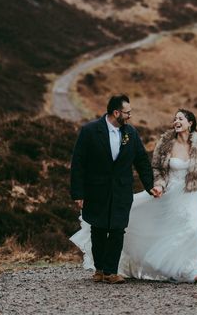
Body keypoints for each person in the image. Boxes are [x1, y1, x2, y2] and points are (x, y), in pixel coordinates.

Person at [71, 108, 197, 283]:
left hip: (192, 192)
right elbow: (155, 168)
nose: (176, 121)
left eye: (180, 118)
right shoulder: (165, 143)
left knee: (192, 230)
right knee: (172, 230)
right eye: (175, 119)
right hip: (169, 191)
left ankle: (194, 270)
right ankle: (171, 267)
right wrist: (158, 186)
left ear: (190, 123)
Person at [70, 94, 161, 284]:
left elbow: (142, 161)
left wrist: (150, 186)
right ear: (116, 112)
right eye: (127, 113)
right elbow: (78, 163)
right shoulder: (90, 131)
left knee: (118, 229)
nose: (130, 116)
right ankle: (100, 269)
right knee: (99, 229)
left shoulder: (131, 133)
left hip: (121, 191)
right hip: (96, 190)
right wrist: (78, 193)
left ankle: (111, 272)